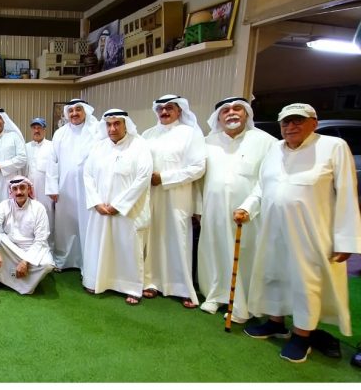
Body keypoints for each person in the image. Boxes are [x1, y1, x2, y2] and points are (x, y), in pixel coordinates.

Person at [234, 103, 361, 363]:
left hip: (312, 232)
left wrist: (347, 239)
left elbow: (347, 195)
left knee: (305, 283)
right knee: (274, 275)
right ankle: (276, 322)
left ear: (314, 122)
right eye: (286, 122)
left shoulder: (333, 147)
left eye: (298, 121)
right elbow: (262, 187)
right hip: (273, 229)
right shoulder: (275, 150)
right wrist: (247, 207)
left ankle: (302, 335)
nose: (291, 127)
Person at [196, 97, 276, 320]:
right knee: (213, 250)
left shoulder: (266, 141)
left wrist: (250, 207)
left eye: (237, 109)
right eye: (225, 110)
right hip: (213, 209)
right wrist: (198, 208)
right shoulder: (207, 142)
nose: (231, 113)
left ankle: (244, 302)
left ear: (246, 113)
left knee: (245, 254)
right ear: (218, 117)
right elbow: (197, 178)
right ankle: (214, 295)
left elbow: (267, 180)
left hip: (248, 213)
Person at [141, 94, 206, 309]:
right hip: (151, 195)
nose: (164, 112)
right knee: (152, 237)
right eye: (160, 108)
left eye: (169, 108)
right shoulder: (148, 134)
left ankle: (182, 288)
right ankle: (150, 282)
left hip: (178, 196)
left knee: (178, 238)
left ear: (179, 111)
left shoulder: (190, 133)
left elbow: (198, 168)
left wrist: (164, 178)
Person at [82, 109, 153, 304]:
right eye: (109, 124)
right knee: (99, 244)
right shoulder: (98, 147)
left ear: (125, 124)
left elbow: (143, 177)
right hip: (100, 209)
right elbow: (87, 175)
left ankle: (131, 287)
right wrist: (96, 202)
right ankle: (95, 280)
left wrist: (119, 205)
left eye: (117, 124)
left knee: (127, 248)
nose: (112, 128)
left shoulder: (139, 146)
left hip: (128, 211)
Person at [45, 99, 99, 272]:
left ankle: (87, 263)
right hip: (65, 188)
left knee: (87, 224)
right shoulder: (60, 133)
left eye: (78, 110)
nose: (74, 113)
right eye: (71, 111)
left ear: (86, 112)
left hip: (89, 188)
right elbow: (52, 161)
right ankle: (64, 260)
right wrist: (52, 187)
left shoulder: (97, 130)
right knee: (65, 225)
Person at [0, 176, 54, 294]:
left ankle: (17, 280)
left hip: (31, 248)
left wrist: (25, 261)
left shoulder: (39, 208)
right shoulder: (5, 205)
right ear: (10, 191)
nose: (19, 192)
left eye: (22, 188)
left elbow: (41, 239)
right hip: (10, 248)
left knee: (47, 265)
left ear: (29, 189)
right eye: (15, 189)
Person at [24, 117, 54, 247]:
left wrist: (54, 190)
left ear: (44, 129)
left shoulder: (52, 146)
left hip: (46, 191)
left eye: (39, 127)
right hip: (29, 190)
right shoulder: (25, 147)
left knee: (48, 217)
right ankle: (31, 245)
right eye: (34, 128)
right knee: (30, 216)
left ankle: (49, 247)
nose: (36, 130)